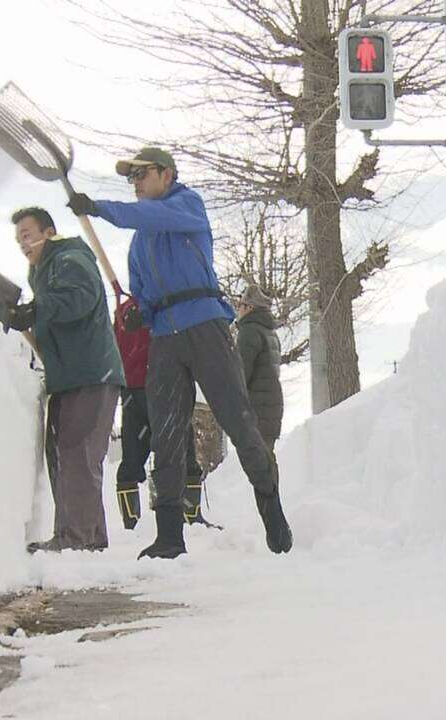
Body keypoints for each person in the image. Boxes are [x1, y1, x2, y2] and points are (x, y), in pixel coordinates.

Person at [67, 147, 292, 559]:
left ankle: (272, 510)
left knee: (239, 422)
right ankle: (169, 535)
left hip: (205, 326)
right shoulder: (139, 246)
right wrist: (142, 313)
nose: (135, 184)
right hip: (166, 339)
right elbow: (143, 292)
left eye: (141, 175)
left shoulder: (187, 205)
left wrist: (99, 208)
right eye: (130, 179)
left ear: (166, 174)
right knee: (166, 434)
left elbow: (150, 217)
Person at [5, 206, 124, 553]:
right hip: (71, 377)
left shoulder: (69, 257)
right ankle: (87, 536)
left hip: (90, 372)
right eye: (18, 240)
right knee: (66, 455)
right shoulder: (44, 273)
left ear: (49, 231)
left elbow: (79, 298)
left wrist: (37, 308)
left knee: (77, 454)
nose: (23, 245)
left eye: (27, 235)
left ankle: (78, 539)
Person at [113, 301, 211, 529]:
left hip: (131, 390)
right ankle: (191, 516)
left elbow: (115, 347)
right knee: (182, 449)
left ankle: (131, 523)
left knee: (131, 458)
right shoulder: (164, 305)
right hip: (162, 386)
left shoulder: (123, 311)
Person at [234, 285, 284, 454]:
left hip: (256, 408)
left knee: (259, 465)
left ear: (249, 307)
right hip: (272, 407)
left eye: (240, 305)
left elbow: (240, 373)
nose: (237, 310)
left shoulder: (249, 331)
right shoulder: (270, 332)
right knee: (267, 461)